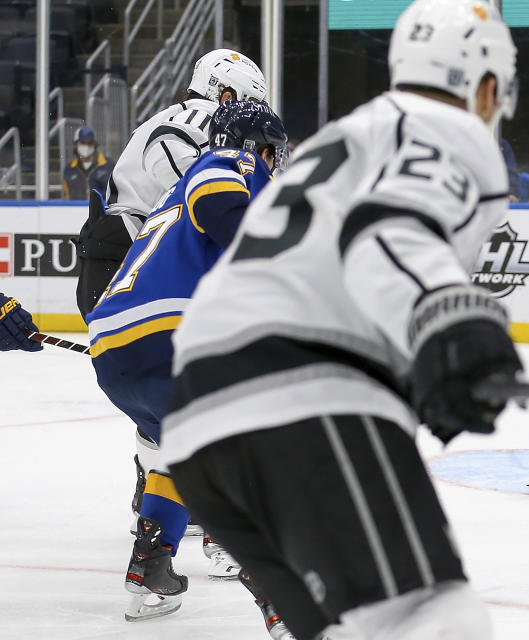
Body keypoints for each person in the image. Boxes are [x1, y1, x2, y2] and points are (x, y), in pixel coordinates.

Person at [162, 1, 520, 638]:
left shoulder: (342, 138)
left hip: (199, 420)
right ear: (485, 82)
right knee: (437, 618)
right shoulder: (446, 130)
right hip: (296, 391)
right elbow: (388, 227)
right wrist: (447, 321)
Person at [84, 100, 290, 633]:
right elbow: (230, 218)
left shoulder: (168, 199)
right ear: (255, 144)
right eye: (271, 149)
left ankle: (150, 568)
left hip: (115, 348)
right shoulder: (228, 163)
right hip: (173, 334)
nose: (274, 160)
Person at [74, 48, 268, 319]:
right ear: (225, 96)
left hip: (116, 253)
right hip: (127, 256)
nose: (251, 115)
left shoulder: (178, 113)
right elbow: (165, 146)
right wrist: (215, 205)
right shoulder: (204, 114)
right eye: (250, 104)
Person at [61, 127, 114, 200]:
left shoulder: (109, 166)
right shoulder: (69, 169)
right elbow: (67, 196)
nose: (86, 146)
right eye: (83, 143)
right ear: (76, 144)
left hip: (101, 210)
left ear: (95, 145)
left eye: (90, 143)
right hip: (75, 210)